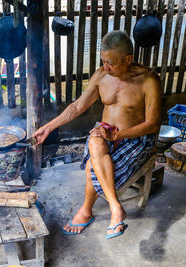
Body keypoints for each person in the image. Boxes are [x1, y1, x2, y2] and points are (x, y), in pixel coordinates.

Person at [33, 30, 162, 239]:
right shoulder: (102, 75)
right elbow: (77, 107)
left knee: (93, 164)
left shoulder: (149, 80)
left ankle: (86, 211)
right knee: (95, 140)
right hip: (104, 133)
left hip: (135, 138)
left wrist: (118, 136)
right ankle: (115, 208)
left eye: (110, 62)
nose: (105, 67)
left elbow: (153, 124)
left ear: (127, 59)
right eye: (103, 61)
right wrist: (49, 127)